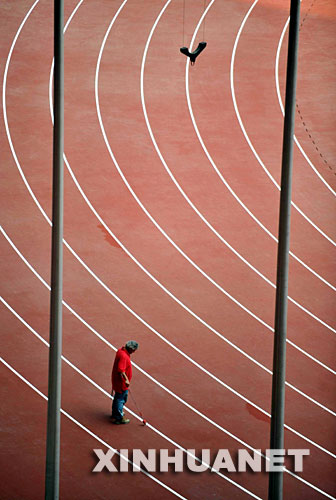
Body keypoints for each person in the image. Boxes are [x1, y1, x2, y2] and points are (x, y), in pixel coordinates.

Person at [111, 340, 139, 424]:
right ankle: (119, 417)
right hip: (121, 383)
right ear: (131, 349)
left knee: (117, 398)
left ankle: (115, 413)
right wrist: (126, 380)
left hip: (117, 381)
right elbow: (121, 369)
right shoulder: (124, 356)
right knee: (121, 399)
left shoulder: (121, 350)